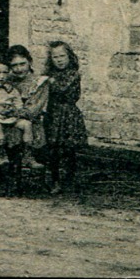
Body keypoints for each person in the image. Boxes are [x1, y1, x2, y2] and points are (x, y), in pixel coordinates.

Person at [42, 40, 89, 194]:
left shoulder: (73, 74)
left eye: (62, 56)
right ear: (51, 59)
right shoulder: (50, 75)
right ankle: (55, 180)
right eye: (55, 57)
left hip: (68, 114)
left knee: (69, 148)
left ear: (69, 56)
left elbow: (62, 89)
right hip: (53, 114)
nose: (59, 60)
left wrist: (49, 81)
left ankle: (70, 178)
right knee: (53, 148)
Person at [6, 45, 50, 170]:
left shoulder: (40, 82)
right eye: (14, 65)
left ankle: (28, 158)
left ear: (29, 62)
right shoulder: (7, 81)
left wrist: (10, 111)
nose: (19, 69)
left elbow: (33, 110)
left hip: (32, 124)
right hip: (9, 123)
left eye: (22, 64)